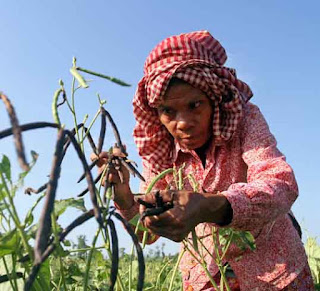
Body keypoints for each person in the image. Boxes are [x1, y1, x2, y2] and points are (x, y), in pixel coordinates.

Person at [94, 31, 314, 290]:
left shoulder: (245, 122)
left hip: (276, 276)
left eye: (195, 105)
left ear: (214, 98)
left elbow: (280, 183)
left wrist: (210, 206)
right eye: (168, 111)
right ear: (157, 113)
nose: (183, 123)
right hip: (205, 281)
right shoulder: (161, 150)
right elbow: (148, 234)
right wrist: (124, 198)